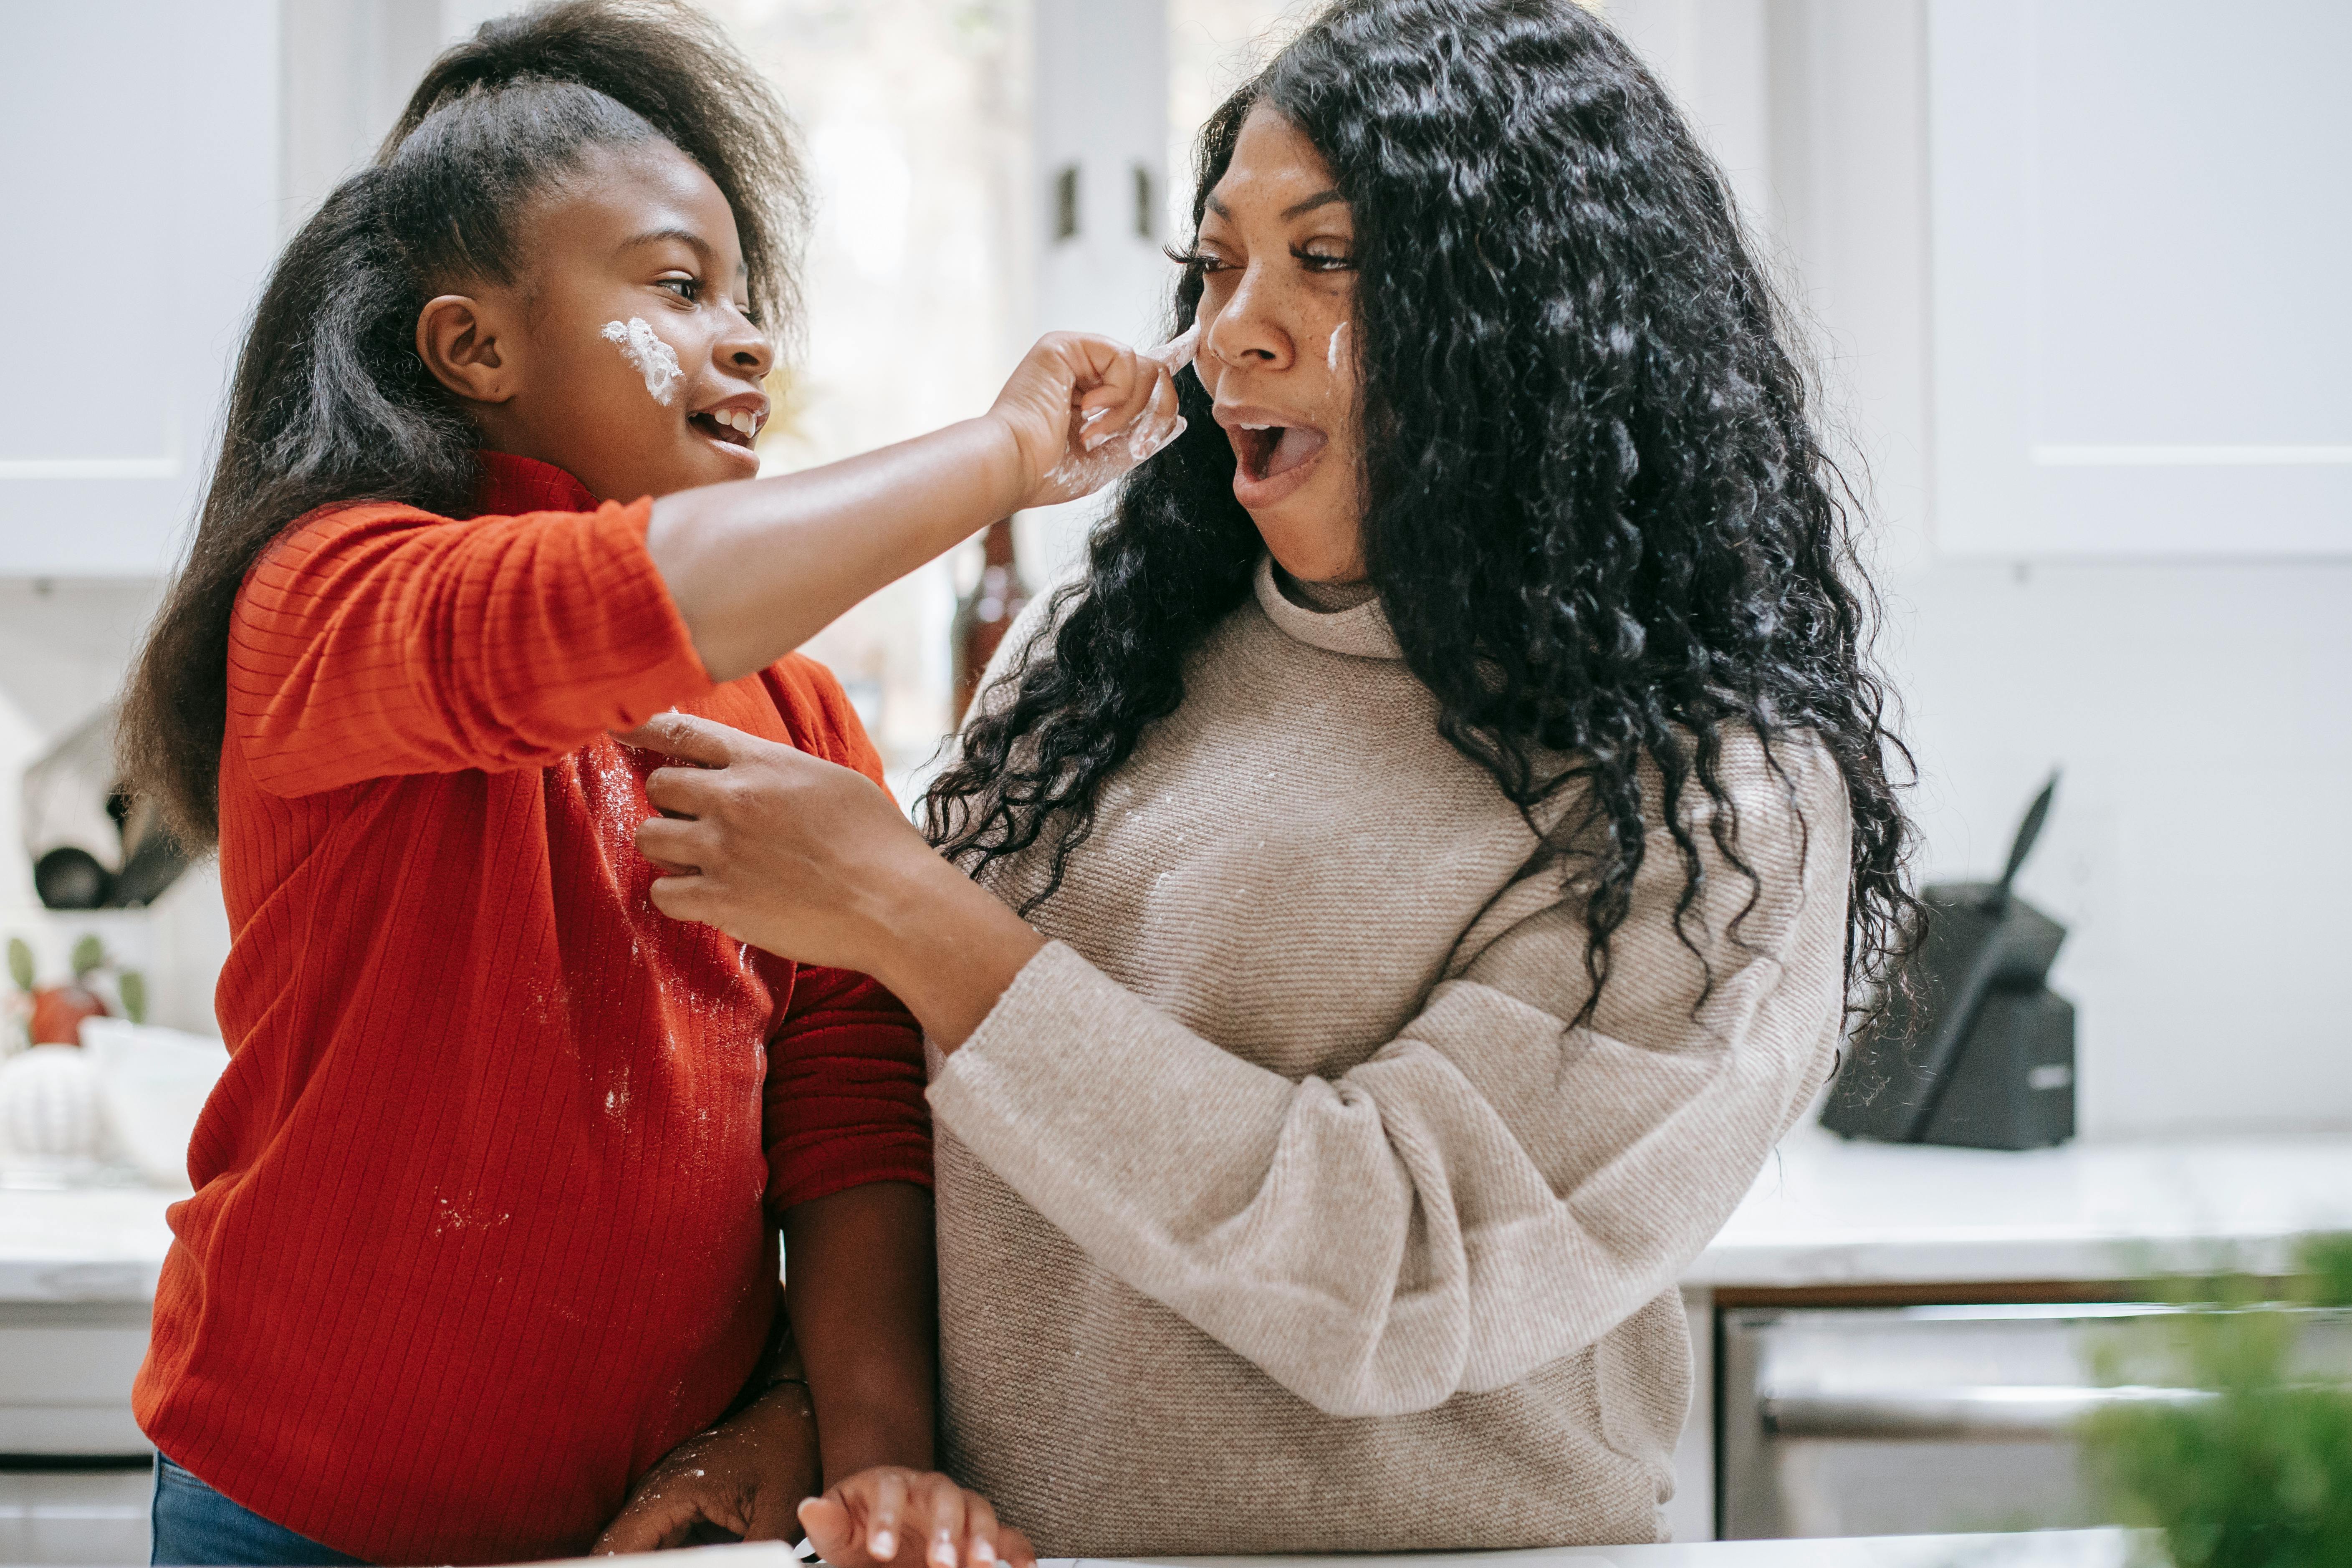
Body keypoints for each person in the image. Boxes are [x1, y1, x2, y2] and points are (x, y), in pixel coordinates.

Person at [610, 0, 1920, 1554]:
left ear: (1531, 314)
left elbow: (1407, 1266)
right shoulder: (1098, 660)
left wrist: (910, 914)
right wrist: (808, 1405)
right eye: (1218, 262)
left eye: (1328, 259)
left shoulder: (1713, 803)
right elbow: (913, 1121)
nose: (1235, 330)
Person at [113, 3, 1181, 1563]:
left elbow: (847, 1116)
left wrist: (865, 1468)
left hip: (644, 1528)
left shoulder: (799, 710)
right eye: (678, 290)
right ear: (474, 346)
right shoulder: (331, 600)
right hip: (294, 1517)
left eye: (749, 299)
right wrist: (1006, 450)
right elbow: (610, 605)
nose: (747, 339)